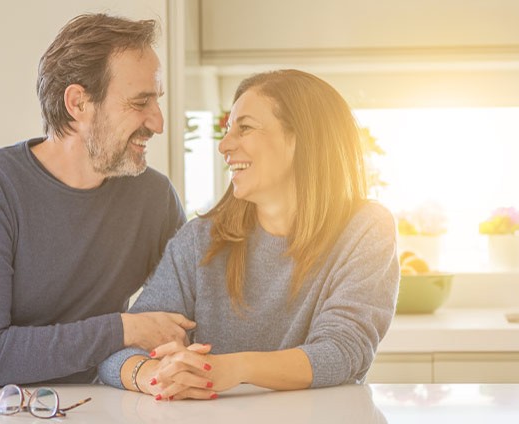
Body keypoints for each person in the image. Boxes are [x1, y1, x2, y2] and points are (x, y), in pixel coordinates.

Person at [0, 13, 195, 389]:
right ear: (78, 104)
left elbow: (194, 303)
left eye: (157, 101)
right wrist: (125, 328)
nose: (158, 122)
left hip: (73, 402)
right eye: (140, 103)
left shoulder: (153, 198)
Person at [98, 69, 400, 400]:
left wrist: (229, 369)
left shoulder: (365, 229)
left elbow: (341, 351)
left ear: (301, 139)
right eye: (228, 130)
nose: (224, 146)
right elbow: (121, 350)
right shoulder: (200, 240)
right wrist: (155, 374)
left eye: (245, 128)